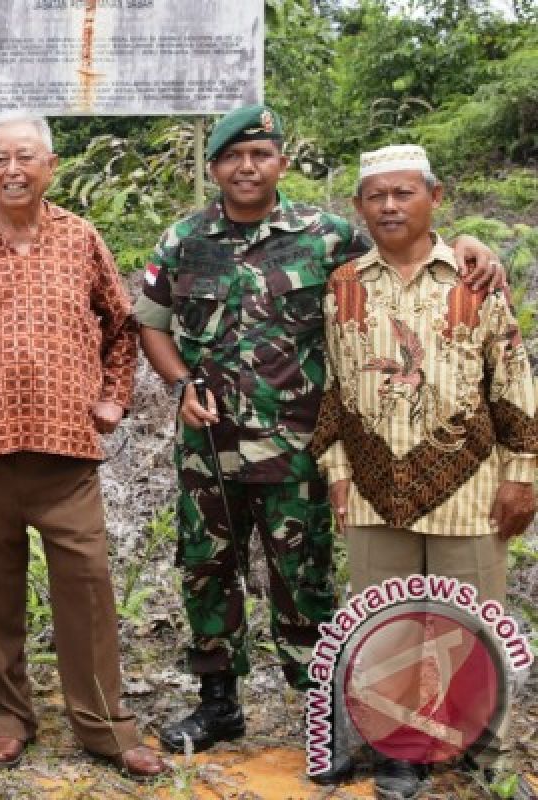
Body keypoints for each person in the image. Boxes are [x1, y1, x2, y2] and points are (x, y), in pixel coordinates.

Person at [134, 104, 505, 761]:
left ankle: (323, 710)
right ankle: (218, 705)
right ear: (214, 166)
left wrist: (469, 248)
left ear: (281, 160)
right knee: (204, 573)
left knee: (302, 582)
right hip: (208, 453)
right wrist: (178, 384)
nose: (246, 167)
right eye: (232, 157)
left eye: (261, 154)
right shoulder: (182, 241)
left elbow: (404, 257)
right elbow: (153, 324)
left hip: (297, 450)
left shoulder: (329, 236)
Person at [0, 110, 168, 780]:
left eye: (26, 157)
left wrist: (115, 397)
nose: (13, 170)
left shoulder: (80, 238)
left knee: (86, 587)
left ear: (50, 166)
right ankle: (8, 720)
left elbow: (122, 322)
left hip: (66, 452)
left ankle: (105, 726)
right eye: (0, 159)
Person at [311, 144, 537, 799]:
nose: (389, 205)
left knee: (474, 622)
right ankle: (399, 753)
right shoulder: (344, 285)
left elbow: (513, 379)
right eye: (376, 195)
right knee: (389, 628)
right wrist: (336, 469)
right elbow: (334, 389)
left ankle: (481, 752)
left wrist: (522, 474)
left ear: (435, 199)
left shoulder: (476, 282)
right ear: (358, 207)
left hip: (472, 487)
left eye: (404, 193)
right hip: (376, 488)